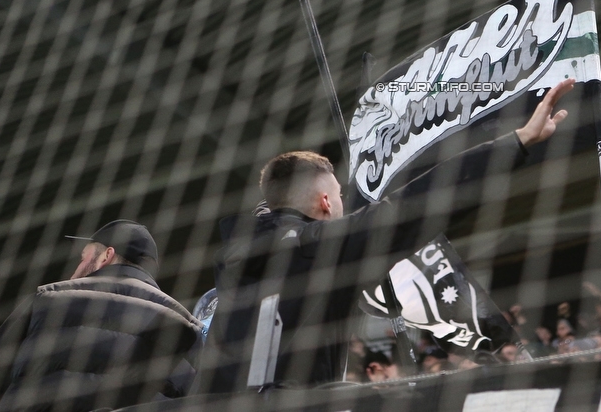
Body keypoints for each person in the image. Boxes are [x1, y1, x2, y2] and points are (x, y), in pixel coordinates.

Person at [200, 79, 575, 391]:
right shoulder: (319, 247)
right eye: (342, 197)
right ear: (327, 203)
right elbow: (418, 204)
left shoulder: (235, 256)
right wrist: (519, 140)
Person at [0, 220, 203, 412]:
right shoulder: (190, 330)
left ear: (107, 256)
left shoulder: (50, 301)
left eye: (83, 258)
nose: (76, 271)